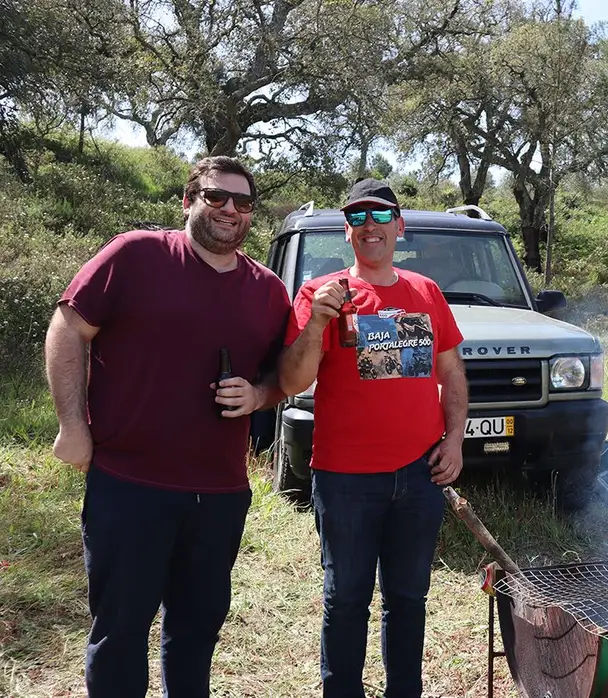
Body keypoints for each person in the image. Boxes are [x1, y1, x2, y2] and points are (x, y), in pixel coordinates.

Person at [45, 156, 291, 697]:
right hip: (130, 484)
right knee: (120, 631)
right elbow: (68, 326)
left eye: (243, 203)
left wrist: (258, 394)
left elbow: (283, 375)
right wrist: (73, 425)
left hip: (221, 493)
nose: (231, 209)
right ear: (188, 200)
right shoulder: (136, 255)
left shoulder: (268, 290)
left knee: (197, 631)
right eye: (216, 197)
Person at [278, 178, 469, 698]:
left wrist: (454, 441)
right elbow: (293, 381)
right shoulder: (321, 293)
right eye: (359, 218)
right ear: (347, 232)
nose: (370, 227)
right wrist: (317, 322)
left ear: (399, 229)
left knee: (408, 598)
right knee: (346, 599)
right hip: (345, 478)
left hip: (419, 473)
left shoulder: (425, 292)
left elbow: (451, 373)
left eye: (381, 217)